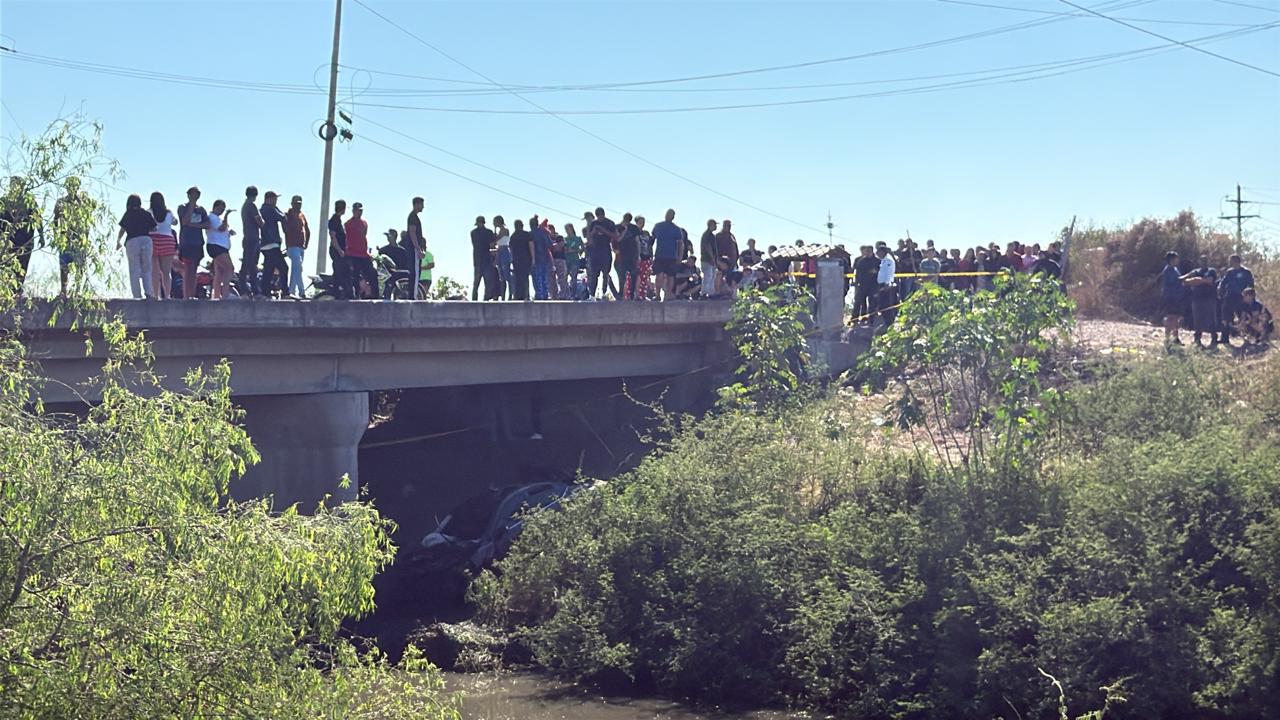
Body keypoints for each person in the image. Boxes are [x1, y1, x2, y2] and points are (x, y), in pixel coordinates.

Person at [52, 177, 93, 297]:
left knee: (79, 264)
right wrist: (57, 235)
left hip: (79, 238)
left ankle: (78, 290)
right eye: (70, 185)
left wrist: (85, 237)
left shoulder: (84, 203)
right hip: (65, 237)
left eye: (74, 186)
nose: (72, 188)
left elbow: (87, 221)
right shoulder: (61, 202)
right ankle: (63, 290)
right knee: (64, 264)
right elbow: (56, 220)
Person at [2, 177, 42, 293]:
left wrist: (41, 236)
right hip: (8, 241)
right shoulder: (4, 201)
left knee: (22, 266)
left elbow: (38, 219)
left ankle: (18, 290)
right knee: (7, 266)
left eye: (17, 184)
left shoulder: (29, 201)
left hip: (26, 240)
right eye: (13, 184)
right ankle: (7, 290)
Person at [116, 193, 156, 299]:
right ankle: (149, 292)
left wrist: (118, 241)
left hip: (132, 241)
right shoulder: (145, 214)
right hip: (146, 239)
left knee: (134, 269)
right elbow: (154, 228)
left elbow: (123, 229)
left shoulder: (128, 214)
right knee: (146, 268)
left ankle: (137, 295)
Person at [176, 186, 209, 299]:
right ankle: (186, 296)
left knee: (194, 269)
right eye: (193, 194)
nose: (195, 196)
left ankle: (192, 294)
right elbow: (184, 221)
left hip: (198, 242)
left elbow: (207, 224)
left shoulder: (201, 210)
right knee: (187, 269)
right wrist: (191, 205)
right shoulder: (182, 207)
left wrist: (194, 225)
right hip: (187, 242)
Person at [1181, 254, 1219, 348]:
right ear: (1199, 261)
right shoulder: (1196, 271)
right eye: (1202, 261)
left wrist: (1197, 280)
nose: (1203, 262)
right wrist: (1195, 280)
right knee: (1197, 319)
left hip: (1209, 298)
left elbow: (1209, 281)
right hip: (1197, 298)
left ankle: (1214, 339)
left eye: (1205, 260)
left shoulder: (1211, 271)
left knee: (1211, 319)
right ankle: (1197, 339)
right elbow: (1185, 279)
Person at [1217, 254, 1254, 345]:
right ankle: (1225, 338)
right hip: (1229, 297)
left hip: (1241, 297)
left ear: (1237, 261)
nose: (1230, 262)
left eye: (1232, 260)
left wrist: (1249, 297)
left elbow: (1251, 285)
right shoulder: (1229, 272)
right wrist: (1220, 291)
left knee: (1243, 317)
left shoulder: (1246, 272)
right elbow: (1223, 282)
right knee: (1226, 317)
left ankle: (1248, 337)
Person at [258, 191, 289, 298]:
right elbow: (283, 217)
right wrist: (280, 211)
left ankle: (264, 292)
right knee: (284, 268)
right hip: (272, 244)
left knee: (268, 269)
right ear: (269, 199)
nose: (276, 201)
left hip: (264, 244)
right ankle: (285, 292)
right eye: (274, 199)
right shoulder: (270, 209)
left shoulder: (261, 210)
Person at [205, 199, 236, 300]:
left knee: (220, 272)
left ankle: (216, 295)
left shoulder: (217, 218)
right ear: (215, 207)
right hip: (217, 246)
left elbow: (222, 230)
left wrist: (229, 232)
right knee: (230, 268)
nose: (222, 211)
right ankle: (225, 293)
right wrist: (227, 215)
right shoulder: (212, 217)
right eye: (221, 209)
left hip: (220, 246)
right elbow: (221, 228)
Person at [344, 202, 376, 299]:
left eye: (361, 210)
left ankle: (373, 295)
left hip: (363, 254)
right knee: (355, 276)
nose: (360, 212)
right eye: (358, 210)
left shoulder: (364, 223)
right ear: (353, 211)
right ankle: (356, 295)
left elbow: (364, 236)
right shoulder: (347, 224)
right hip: (352, 254)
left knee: (372, 273)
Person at [148, 192, 177, 299]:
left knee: (154, 272)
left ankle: (156, 295)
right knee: (166, 272)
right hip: (168, 241)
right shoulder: (169, 213)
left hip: (153, 240)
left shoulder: (149, 212)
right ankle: (168, 295)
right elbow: (175, 222)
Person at [651, 209, 683, 302]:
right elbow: (651, 240)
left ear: (673, 217)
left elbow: (680, 244)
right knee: (659, 275)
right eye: (668, 214)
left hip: (671, 256)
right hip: (660, 255)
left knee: (670, 276)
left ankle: (668, 295)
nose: (669, 216)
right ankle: (657, 295)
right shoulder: (658, 226)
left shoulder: (676, 229)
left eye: (671, 215)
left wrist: (680, 257)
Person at [586, 207, 617, 300]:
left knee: (605, 273)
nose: (599, 217)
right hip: (595, 251)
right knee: (594, 274)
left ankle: (604, 292)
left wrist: (604, 230)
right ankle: (592, 294)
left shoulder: (609, 223)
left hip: (605, 250)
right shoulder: (593, 224)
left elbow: (615, 236)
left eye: (600, 215)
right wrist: (594, 231)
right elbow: (589, 237)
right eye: (598, 216)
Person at [284, 195, 311, 298]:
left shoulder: (302, 215)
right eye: (296, 203)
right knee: (298, 267)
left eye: (299, 203)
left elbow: (307, 230)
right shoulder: (288, 214)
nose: (298, 205)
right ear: (292, 203)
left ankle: (291, 291)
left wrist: (306, 243)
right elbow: (284, 227)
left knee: (296, 269)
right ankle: (302, 292)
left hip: (300, 247)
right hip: (292, 246)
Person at [240, 186, 263, 296]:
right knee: (250, 264)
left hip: (248, 237)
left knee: (250, 264)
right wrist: (263, 224)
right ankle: (246, 289)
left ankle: (252, 289)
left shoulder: (244, 206)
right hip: (252, 238)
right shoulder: (251, 205)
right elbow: (259, 220)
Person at [1158, 251, 1185, 345]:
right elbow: (1174, 281)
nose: (1177, 260)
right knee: (1171, 317)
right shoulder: (1168, 270)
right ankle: (1167, 338)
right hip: (1170, 296)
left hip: (1177, 297)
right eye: (1176, 258)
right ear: (1171, 259)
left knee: (1176, 317)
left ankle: (1175, 338)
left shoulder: (1175, 269)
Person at [471, 215, 497, 301]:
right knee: (486, 282)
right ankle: (485, 299)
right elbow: (492, 245)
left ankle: (476, 300)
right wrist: (494, 238)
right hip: (485, 259)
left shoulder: (473, 233)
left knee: (478, 283)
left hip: (479, 260)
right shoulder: (488, 232)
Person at [327, 199, 350, 299]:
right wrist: (339, 250)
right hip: (337, 251)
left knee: (341, 271)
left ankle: (340, 292)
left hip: (341, 250)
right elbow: (333, 237)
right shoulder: (334, 220)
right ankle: (337, 292)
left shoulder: (339, 220)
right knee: (339, 271)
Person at [852, 245, 879, 325]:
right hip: (862, 285)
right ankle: (854, 319)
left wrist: (875, 271)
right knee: (858, 302)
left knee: (872, 304)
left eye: (868, 251)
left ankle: (871, 320)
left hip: (873, 285)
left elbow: (880, 271)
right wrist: (857, 282)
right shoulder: (861, 261)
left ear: (871, 252)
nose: (867, 253)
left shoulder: (877, 261)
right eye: (866, 251)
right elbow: (858, 273)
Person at [615, 215, 641, 300]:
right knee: (622, 276)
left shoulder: (634, 228)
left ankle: (632, 294)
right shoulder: (618, 227)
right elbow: (618, 239)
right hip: (622, 255)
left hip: (632, 254)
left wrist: (638, 255)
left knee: (633, 275)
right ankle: (621, 293)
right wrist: (625, 230)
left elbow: (637, 242)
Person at [406, 196, 425, 300]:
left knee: (415, 273)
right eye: (421, 204)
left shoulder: (414, 217)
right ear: (417, 204)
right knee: (415, 273)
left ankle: (412, 295)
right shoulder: (413, 217)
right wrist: (418, 249)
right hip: (413, 250)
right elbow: (412, 233)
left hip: (414, 249)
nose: (423, 207)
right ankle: (413, 297)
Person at [875, 243, 898, 329]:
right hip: (882, 284)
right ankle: (887, 322)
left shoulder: (888, 260)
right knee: (882, 305)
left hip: (886, 285)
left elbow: (889, 273)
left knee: (886, 306)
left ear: (882, 252)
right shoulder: (884, 260)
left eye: (878, 252)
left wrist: (887, 284)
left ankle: (890, 323)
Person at [510, 218, 533, 301]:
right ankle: (526, 295)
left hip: (517, 259)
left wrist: (512, 260)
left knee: (518, 278)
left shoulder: (513, 236)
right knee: (525, 278)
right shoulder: (526, 235)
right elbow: (531, 246)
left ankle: (518, 296)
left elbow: (511, 249)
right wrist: (533, 258)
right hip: (526, 259)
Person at [531, 216, 553, 300]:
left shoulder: (531, 234)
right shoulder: (544, 233)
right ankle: (545, 294)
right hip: (545, 258)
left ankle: (539, 295)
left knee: (537, 277)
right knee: (544, 277)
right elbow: (550, 245)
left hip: (536, 258)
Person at [699, 219, 719, 298]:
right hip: (707, 260)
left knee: (713, 277)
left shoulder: (712, 235)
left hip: (712, 260)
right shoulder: (707, 235)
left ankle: (711, 293)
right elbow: (708, 247)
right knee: (708, 276)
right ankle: (704, 293)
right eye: (714, 225)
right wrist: (712, 258)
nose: (716, 226)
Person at [563, 223, 583, 299]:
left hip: (575, 260)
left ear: (571, 229)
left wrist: (575, 250)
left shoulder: (578, 238)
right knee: (564, 277)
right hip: (566, 260)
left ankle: (573, 294)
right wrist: (566, 250)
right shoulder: (565, 239)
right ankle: (566, 293)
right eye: (566, 229)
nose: (567, 231)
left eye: (568, 229)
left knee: (574, 277)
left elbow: (582, 248)